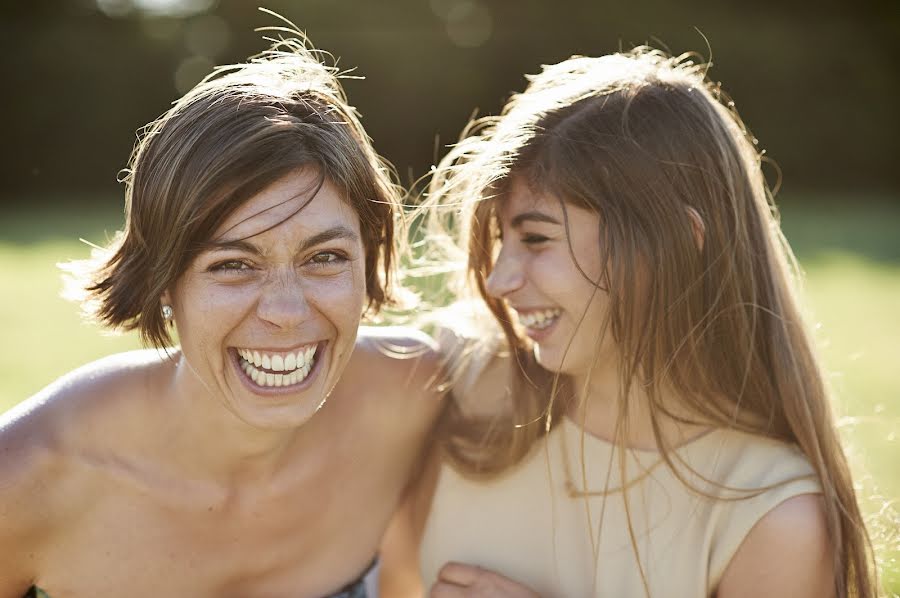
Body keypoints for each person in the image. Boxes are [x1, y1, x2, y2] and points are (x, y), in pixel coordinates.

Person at [381, 48, 878, 597]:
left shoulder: (771, 517)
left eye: (537, 239)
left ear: (673, 248)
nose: (498, 282)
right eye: (503, 239)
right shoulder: (461, 383)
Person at [0, 21, 444, 598]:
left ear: (369, 258)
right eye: (234, 265)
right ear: (163, 280)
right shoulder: (26, 477)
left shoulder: (413, 399)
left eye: (325, 257)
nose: (286, 311)